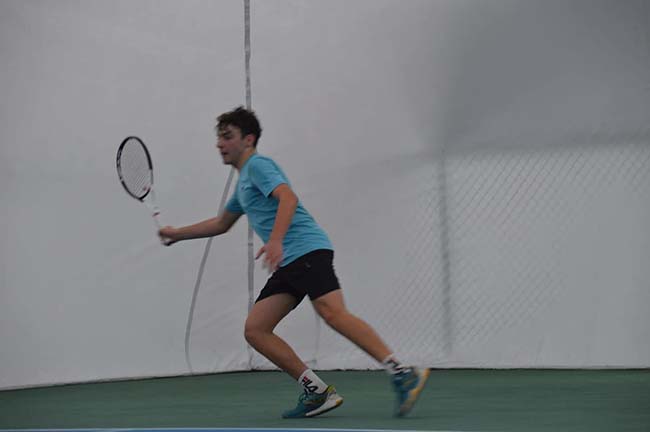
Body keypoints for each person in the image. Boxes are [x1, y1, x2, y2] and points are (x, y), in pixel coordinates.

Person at [158, 106, 429, 418]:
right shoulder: (243, 183)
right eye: (219, 138)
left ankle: (402, 373)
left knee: (333, 314)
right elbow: (221, 223)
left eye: (228, 136)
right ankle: (317, 392)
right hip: (288, 262)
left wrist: (275, 240)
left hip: (306, 250)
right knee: (256, 329)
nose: (220, 144)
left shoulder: (258, 166)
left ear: (248, 139)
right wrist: (176, 234)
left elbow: (288, 198)